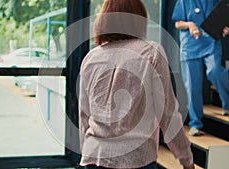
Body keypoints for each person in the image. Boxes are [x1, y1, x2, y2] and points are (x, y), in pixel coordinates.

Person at [78, 0, 194, 169]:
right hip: (136, 159)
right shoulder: (151, 53)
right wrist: (186, 159)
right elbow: (168, 113)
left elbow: (84, 117)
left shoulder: (91, 58)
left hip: (94, 156)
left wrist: (87, 152)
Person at [172, 0, 229, 136]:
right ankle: (195, 123)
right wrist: (190, 24)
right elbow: (177, 23)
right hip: (190, 46)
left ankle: (227, 102)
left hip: (211, 43)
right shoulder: (184, 2)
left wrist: (225, 27)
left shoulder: (215, 2)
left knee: (215, 71)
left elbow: (224, 19)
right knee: (192, 86)